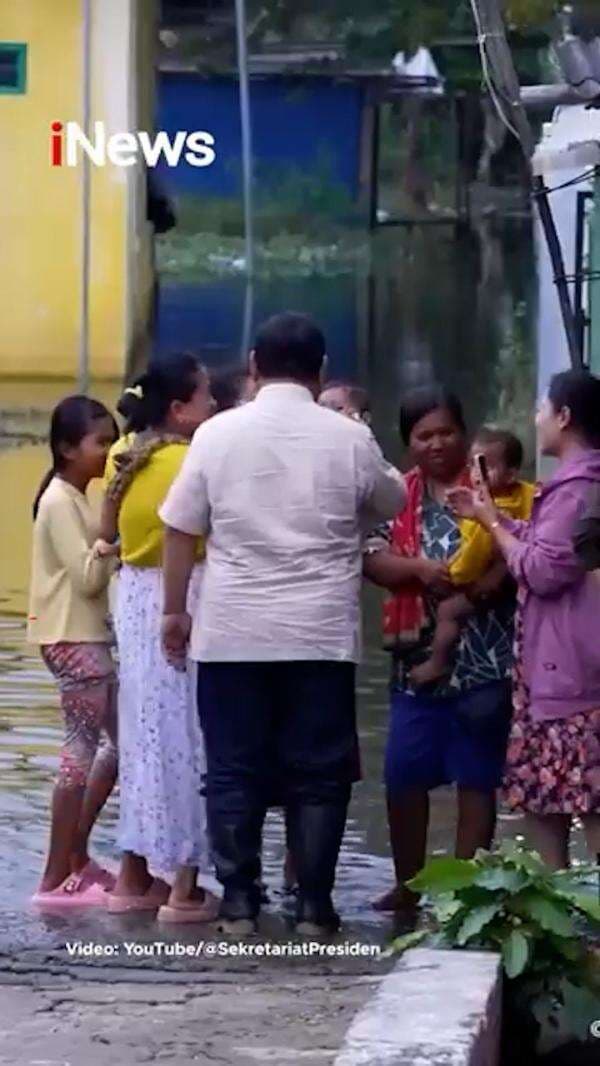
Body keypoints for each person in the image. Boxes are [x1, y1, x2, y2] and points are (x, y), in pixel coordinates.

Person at [159, 311, 406, 935]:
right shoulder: (348, 438)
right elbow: (392, 500)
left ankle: (241, 901)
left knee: (233, 769)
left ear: (252, 366)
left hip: (232, 630)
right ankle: (315, 908)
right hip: (319, 635)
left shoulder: (216, 435)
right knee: (319, 773)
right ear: (320, 371)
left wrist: (173, 611)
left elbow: (180, 527)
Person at [363, 386, 516, 916]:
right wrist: (420, 571)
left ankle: (468, 891)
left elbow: (528, 546)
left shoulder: (495, 488)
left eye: (446, 432)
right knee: (404, 773)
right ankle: (408, 886)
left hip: (486, 658)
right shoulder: (396, 496)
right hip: (417, 663)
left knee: (477, 776)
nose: (436, 444)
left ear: (464, 433)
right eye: (423, 435)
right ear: (408, 444)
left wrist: (486, 584)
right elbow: (372, 558)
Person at [449, 370, 600, 869]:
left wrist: (492, 523)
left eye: (542, 409)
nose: (536, 420)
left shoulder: (580, 489)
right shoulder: (571, 488)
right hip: (556, 672)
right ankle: (563, 923)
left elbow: (539, 570)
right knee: (544, 802)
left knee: (584, 803)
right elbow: (545, 548)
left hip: (572, 676)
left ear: (565, 416)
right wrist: (490, 514)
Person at [102, 356, 219, 921]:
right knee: (190, 737)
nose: (215, 407)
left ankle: (133, 876)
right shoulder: (188, 461)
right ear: (179, 410)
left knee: (144, 737)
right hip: (183, 596)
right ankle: (185, 887)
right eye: (205, 398)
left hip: (132, 597)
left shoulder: (122, 455)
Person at [28, 396, 119, 905]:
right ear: (66, 448)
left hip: (88, 635)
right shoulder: (61, 500)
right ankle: (54, 876)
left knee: (119, 746)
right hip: (71, 635)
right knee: (81, 751)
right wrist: (112, 537)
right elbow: (87, 579)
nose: (107, 453)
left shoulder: (78, 495)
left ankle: (75, 858)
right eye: (99, 443)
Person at [410, 427, 535, 688]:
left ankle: (437, 662)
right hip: (482, 577)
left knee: (448, 611)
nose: (477, 475)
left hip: (486, 583)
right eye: (474, 466)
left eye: (485, 467)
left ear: (511, 474)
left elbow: (483, 546)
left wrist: (455, 573)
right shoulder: (505, 497)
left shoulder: (504, 504)